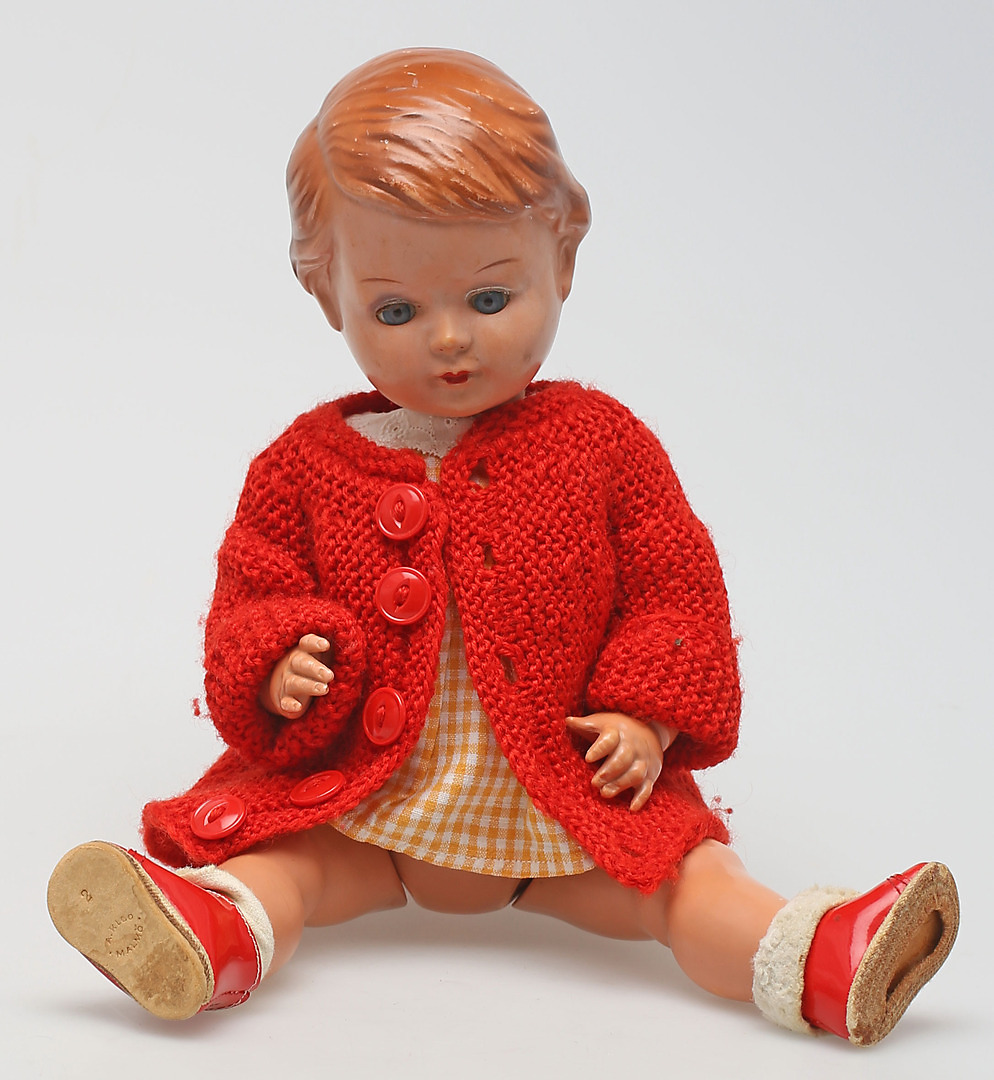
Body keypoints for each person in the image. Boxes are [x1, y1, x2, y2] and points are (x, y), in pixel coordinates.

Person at [47, 47, 958, 1045]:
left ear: (561, 262)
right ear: (328, 296)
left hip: (561, 804)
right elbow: (251, 599)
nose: (448, 339)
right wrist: (276, 664)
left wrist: (647, 721)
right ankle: (213, 935)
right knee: (282, 867)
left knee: (686, 881)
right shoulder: (302, 467)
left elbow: (674, 591)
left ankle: (817, 959)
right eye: (396, 309)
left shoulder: (603, 446)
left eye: (489, 299)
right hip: (369, 809)